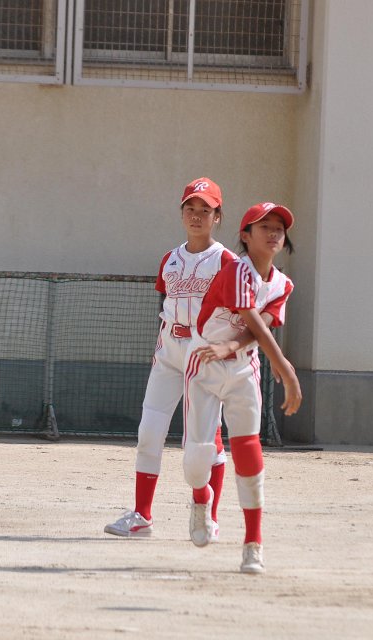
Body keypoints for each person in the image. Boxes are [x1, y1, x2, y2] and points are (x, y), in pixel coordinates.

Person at [104, 177, 241, 540]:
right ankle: (142, 515)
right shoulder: (170, 259)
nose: (196, 216)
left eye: (205, 210)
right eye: (190, 208)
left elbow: (241, 315)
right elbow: (165, 303)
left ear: (217, 216)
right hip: (169, 351)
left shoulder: (226, 261)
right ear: (181, 213)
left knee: (202, 442)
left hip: (205, 354)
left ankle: (207, 515)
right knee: (149, 432)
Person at [182, 201, 302, 574]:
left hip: (242, 368)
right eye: (264, 226)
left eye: (279, 227)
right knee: (196, 461)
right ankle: (201, 499)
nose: (273, 232)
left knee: (249, 452)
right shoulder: (237, 269)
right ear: (245, 236)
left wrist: (233, 347)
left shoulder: (283, 284)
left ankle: (253, 543)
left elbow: (257, 328)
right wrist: (286, 368)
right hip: (204, 360)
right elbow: (253, 319)